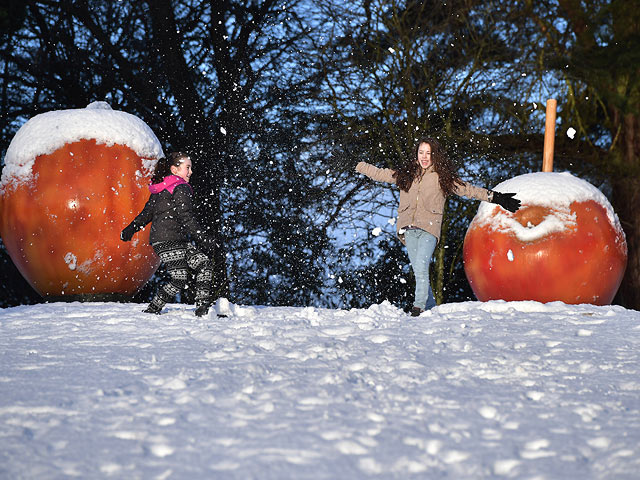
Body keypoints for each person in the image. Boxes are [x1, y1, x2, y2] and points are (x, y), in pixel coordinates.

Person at [355, 137, 520, 316]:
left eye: (428, 153)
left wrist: (496, 197)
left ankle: (418, 307)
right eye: (421, 153)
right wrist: (357, 164)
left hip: (429, 228)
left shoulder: (443, 178)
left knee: (421, 265)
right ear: (416, 154)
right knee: (419, 270)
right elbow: (379, 173)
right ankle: (432, 309)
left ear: (435, 155)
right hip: (408, 229)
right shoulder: (406, 174)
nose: (424, 157)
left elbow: (468, 189)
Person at [120, 152, 217, 317]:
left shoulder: (161, 188)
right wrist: (203, 238)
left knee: (202, 265)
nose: (191, 172)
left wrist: (130, 229)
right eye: (187, 168)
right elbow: (186, 216)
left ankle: (201, 308)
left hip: (165, 240)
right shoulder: (180, 187)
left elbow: (146, 214)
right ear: (175, 169)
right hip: (170, 240)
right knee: (181, 277)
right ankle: (157, 308)